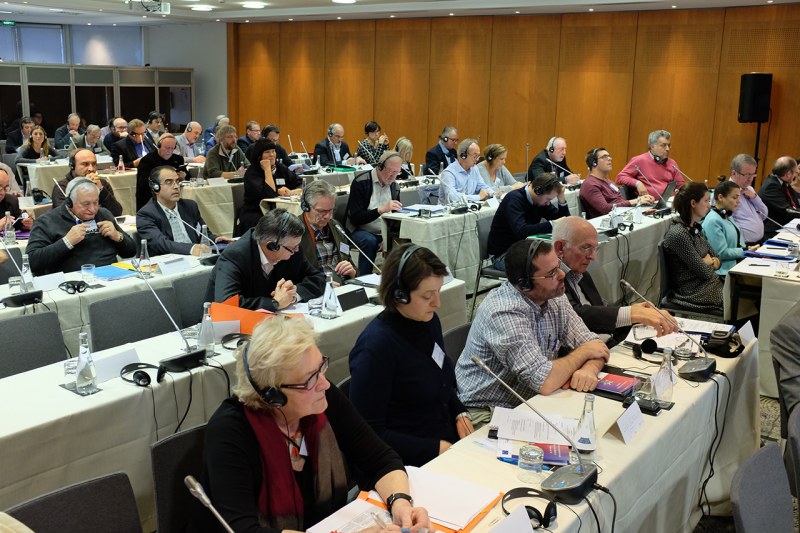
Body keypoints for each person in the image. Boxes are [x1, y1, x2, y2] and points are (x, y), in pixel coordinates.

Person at [187, 315, 431, 533]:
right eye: (309, 379)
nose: (324, 383)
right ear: (273, 396)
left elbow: (380, 459)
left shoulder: (323, 399)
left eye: (321, 367)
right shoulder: (231, 431)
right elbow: (243, 529)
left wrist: (400, 503)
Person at [455, 239, 609, 425]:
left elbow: (595, 345)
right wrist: (584, 354)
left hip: (533, 400)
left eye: (558, 266)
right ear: (525, 284)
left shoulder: (553, 295)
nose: (562, 275)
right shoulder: (503, 312)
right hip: (488, 410)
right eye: (551, 273)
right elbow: (544, 380)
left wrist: (589, 370)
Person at [349, 244, 473, 466]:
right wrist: (435, 449)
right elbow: (368, 433)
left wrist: (459, 412)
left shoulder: (428, 321)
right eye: (427, 296)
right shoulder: (375, 348)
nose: (437, 303)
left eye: (438, 291)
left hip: (446, 445)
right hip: (405, 462)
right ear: (400, 295)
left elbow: (442, 381)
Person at [553, 216, 677, 344]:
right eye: (586, 247)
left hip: (611, 342)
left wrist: (636, 312)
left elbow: (600, 312)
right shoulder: (551, 279)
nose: (593, 257)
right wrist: (631, 313)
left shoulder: (582, 274)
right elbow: (575, 315)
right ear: (560, 248)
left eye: (595, 248)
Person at [206, 208, 325, 312]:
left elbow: (318, 278)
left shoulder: (291, 248)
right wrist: (274, 303)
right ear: (272, 246)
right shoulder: (234, 257)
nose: (297, 250)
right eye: (293, 248)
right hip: (225, 325)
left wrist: (293, 295)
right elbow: (227, 304)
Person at [27, 178, 137, 276]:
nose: (92, 209)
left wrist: (118, 237)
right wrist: (67, 242)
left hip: (112, 276)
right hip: (72, 282)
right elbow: (32, 262)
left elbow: (131, 252)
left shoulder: (104, 214)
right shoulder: (47, 221)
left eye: (96, 202)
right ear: (69, 202)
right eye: (86, 204)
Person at [137, 166, 232, 256]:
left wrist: (216, 240)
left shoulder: (189, 206)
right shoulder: (146, 214)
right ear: (155, 187)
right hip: (169, 261)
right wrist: (191, 249)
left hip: (196, 258)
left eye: (177, 181)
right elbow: (161, 244)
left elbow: (203, 234)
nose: (176, 186)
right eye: (169, 182)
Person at [487, 173, 569, 270]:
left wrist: (561, 199)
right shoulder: (513, 199)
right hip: (503, 254)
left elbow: (564, 222)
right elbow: (521, 231)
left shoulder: (540, 201)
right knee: (546, 267)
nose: (548, 203)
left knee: (565, 259)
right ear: (538, 191)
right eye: (548, 199)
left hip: (525, 251)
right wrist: (553, 224)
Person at [662, 182, 723, 312]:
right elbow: (705, 273)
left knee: (743, 296)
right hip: (692, 292)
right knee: (740, 299)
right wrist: (708, 261)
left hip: (708, 285)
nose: (709, 205)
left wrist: (708, 261)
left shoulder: (694, 228)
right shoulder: (679, 234)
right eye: (706, 201)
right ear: (693, 203)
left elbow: (718, 258)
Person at [345, 151, 403, 275]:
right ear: (380, 166)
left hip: (383, 231)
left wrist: (388, 237)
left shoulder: (394, 187)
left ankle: (392, 280)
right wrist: (380, 210)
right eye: (391, 171)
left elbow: (396, 217)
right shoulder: (361, 182)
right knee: (369, 241)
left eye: (397, 172)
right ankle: (363, 279)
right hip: (359, 230)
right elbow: (355, 218)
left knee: (401, 240)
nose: (393, 177)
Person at [236, 139, 302, 235]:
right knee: (272, 223)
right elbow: (269, 193)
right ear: (259, 155)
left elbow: (300, 184)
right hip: (256, 211)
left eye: (273, 151)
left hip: (280, 210)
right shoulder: (252, 173)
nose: (271, 155)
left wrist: (291, 192)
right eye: (267, 152)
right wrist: (267, 169)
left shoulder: (280, 168)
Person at [298, 180, 356, 284]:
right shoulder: (295, 232)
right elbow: (293, 277)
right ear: (305, 207)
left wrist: (352, 273)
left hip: (342, 286)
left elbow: (348, 259)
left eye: (331, 210)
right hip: (317, 290)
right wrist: (322, 285)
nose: (328, 216)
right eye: (321, 211)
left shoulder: (335, 226)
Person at [702, 180, 761, 276]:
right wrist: (745, 250)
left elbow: (737, 243)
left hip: (737, 265)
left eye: (739, 197)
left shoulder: (727, 216)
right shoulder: (713, 220)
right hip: (724, 272)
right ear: (720, 197)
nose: (739, 202)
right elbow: (721, 253)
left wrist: (748, 249)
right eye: (734, 197)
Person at [579, 147, 654, 218]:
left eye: (609, 156)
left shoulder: (609, 182)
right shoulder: (590, 184)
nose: (609, 159)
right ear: (594, 163)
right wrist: (635, 201)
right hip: (608, 222)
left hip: (624, 215)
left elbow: (620, 201)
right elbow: (605, 209)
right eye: (604, 157)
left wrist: (642, 200)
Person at [616, 129, 685, 200]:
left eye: (669, 145)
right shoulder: (640, 160)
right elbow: (620, 177)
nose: (667, 149)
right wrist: (637, 183)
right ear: (652, 147)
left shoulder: (672, 163)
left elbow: (680, 185)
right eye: (663, 145)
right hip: (648, 203)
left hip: (669, 203)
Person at [52, 148, 123, 216]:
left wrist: (102, 191)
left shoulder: (102, 184)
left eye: (94, 164)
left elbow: (117, 213)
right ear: (72, 166)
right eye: (85, 164)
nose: (91, 169)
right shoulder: (62, 187)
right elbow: (63, 215)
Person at [135, 133, 186, 210]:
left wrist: (183, 176)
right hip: (151, 199)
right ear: (159, 146)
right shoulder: (147, 161)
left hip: (175, 197)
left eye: (172, 148)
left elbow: (189, 177)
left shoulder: (177, 159)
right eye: (167, 148)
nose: (169, 151)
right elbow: (143, 185)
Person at [726, 154, 768, 245]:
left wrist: (755, 198)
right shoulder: (725, 192)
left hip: (759, 242)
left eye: (753, 174)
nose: (750, 179)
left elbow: (764, 215)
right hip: (742, 245)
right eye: (747, 175)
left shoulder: (750, 189)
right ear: (734, 173)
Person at [438, 139, 492, 205]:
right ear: (463, 156)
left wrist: (495, 194)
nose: (477, 159)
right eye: (475, 156)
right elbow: (452, 197)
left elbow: (482, 186)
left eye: (478, 156)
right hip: (450, 210)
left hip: (470, 208)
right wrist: (478, 197)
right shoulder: (448, 173)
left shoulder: (474, 169)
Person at [758, 156, 800, 238]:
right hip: (771, 231)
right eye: (795, 172)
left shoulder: (782, 182)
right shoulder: (772, 186)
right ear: (788, 174)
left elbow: (794, 205)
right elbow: (787, 210)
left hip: (783, 227)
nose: (796, 174)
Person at [0, 167, 32, 232]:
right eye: (0, 188)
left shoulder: (12, 201)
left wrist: (26, 225)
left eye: (6, 188)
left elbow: (18, 224)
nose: (2, 193)